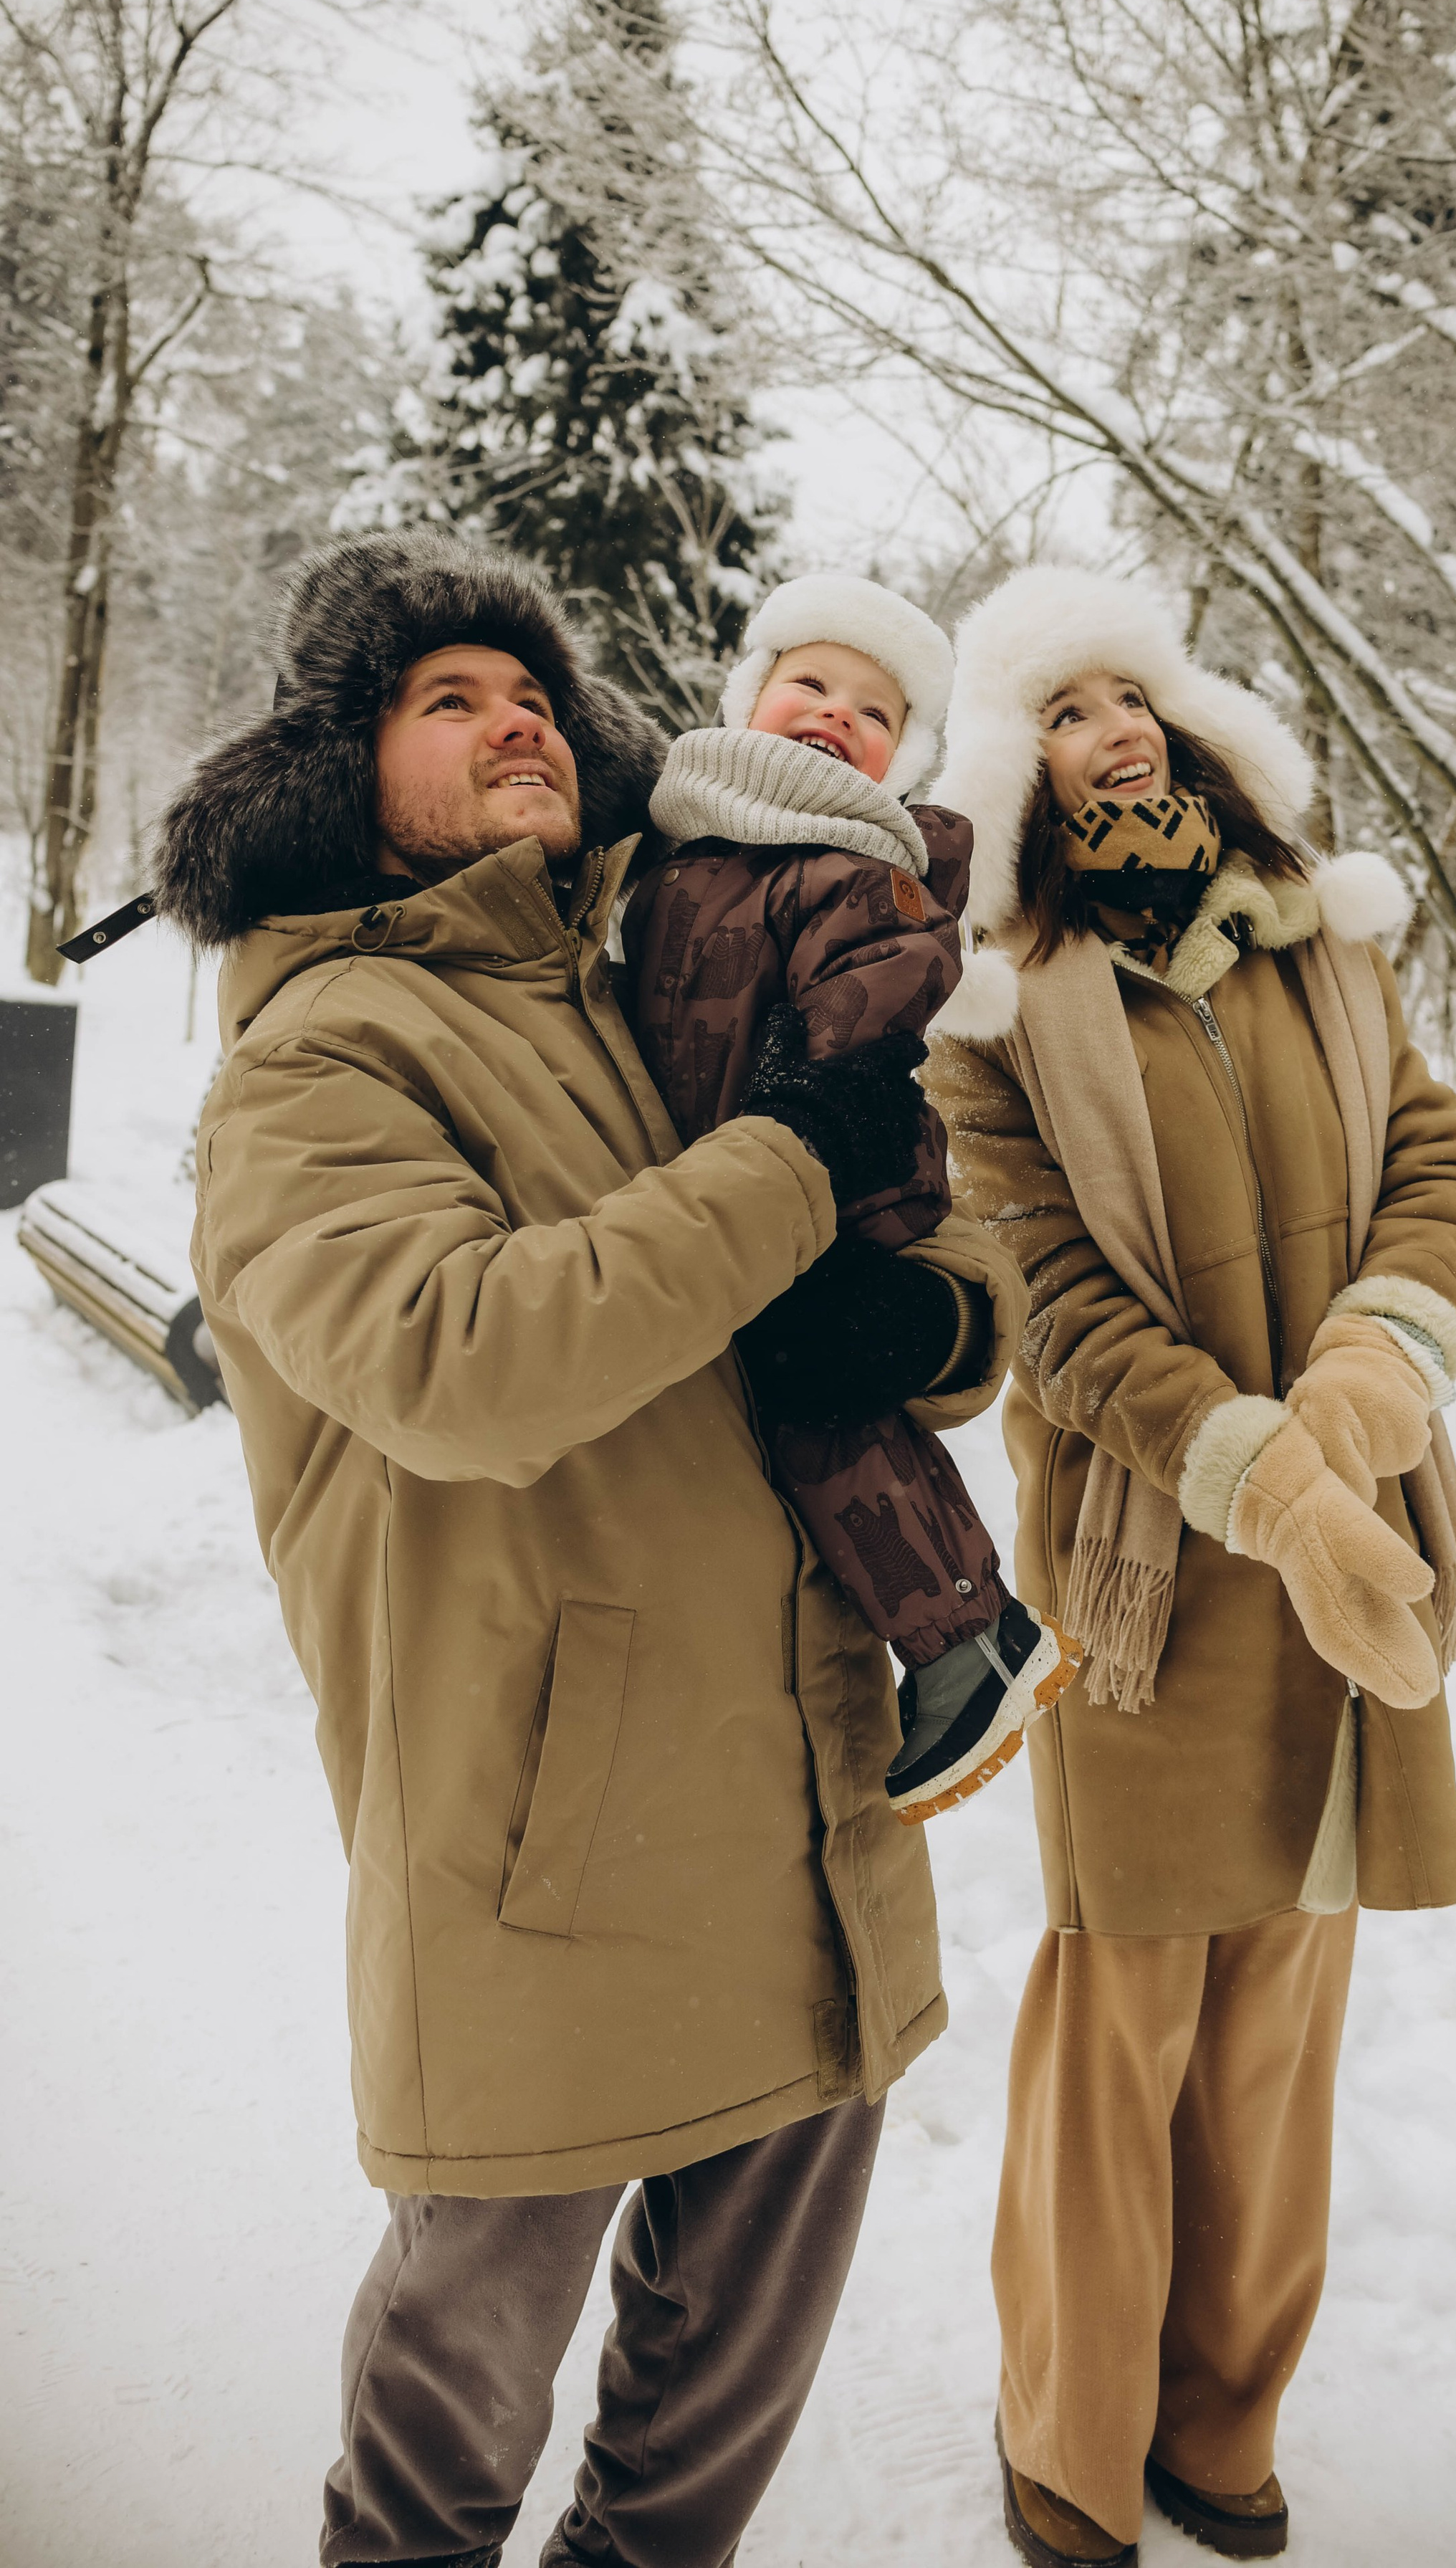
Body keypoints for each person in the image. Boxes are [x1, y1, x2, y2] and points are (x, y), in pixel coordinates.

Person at [152, 528, 1022, 2568]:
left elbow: (917, 1218)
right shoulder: (325, 1055)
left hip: (811, 1827)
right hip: (545, 1859)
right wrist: (787, 1168)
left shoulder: (658, 968)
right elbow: (468, 1361)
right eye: (449, 698)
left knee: (684, 2484)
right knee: (441, 2464)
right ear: (338, 771)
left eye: (532, 690)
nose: (516, 714)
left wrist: (934, 1316)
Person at [923, 564, 1456, 2567]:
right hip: (1148, 1568)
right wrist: (1257, 1470)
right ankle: (1074, 2439)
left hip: (1360, 1534)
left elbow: (1441, 1162)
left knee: (1283, 2012)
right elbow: (1052, 1295)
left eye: (1136, 691)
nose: (1120, 727)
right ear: (1017, 765)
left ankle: (1223, 2409)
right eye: (1070, 706)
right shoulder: (995, 1005)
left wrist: (1351, 1412)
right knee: (1127, 2020)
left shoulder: (1319, 942)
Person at [626, 571, 1070, 1823]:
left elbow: (875, 994)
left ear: (900, 758)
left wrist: (800, 1091)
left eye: (873, 712)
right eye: (809, 682)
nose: (834, 715)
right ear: (748, 694)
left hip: (837, 1173)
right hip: (714, 1184)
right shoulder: (661, 840)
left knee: (825, 1411)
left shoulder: (872, 862)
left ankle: (965, 1638)